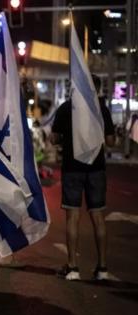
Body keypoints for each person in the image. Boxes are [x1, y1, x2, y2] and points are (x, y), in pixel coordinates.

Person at [52, 75, 115, 281]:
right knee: (98, 217)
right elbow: (111, 141)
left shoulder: (66, 108)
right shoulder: (101, 110)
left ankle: (72, 268)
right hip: (96, 169)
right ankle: (103, 268)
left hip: (72, 168)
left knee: (73, 216)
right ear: (96, 90)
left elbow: (54, 138)